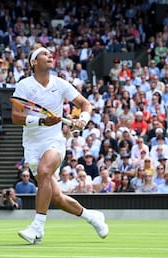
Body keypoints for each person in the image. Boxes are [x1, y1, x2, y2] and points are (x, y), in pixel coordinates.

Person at [11, 44, 108, 244]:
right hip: (32, 145)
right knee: (56, 197)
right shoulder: (24, 85)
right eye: (44, 54)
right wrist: (41, 121)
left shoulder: (61, 84)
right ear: (34, 62)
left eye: (50, 54)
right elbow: (16, 116)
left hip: (53, 141)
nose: (49, 56)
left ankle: (36, 227)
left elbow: (85, 104)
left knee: (45, 170)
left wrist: (83, 118)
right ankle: (92, 217)